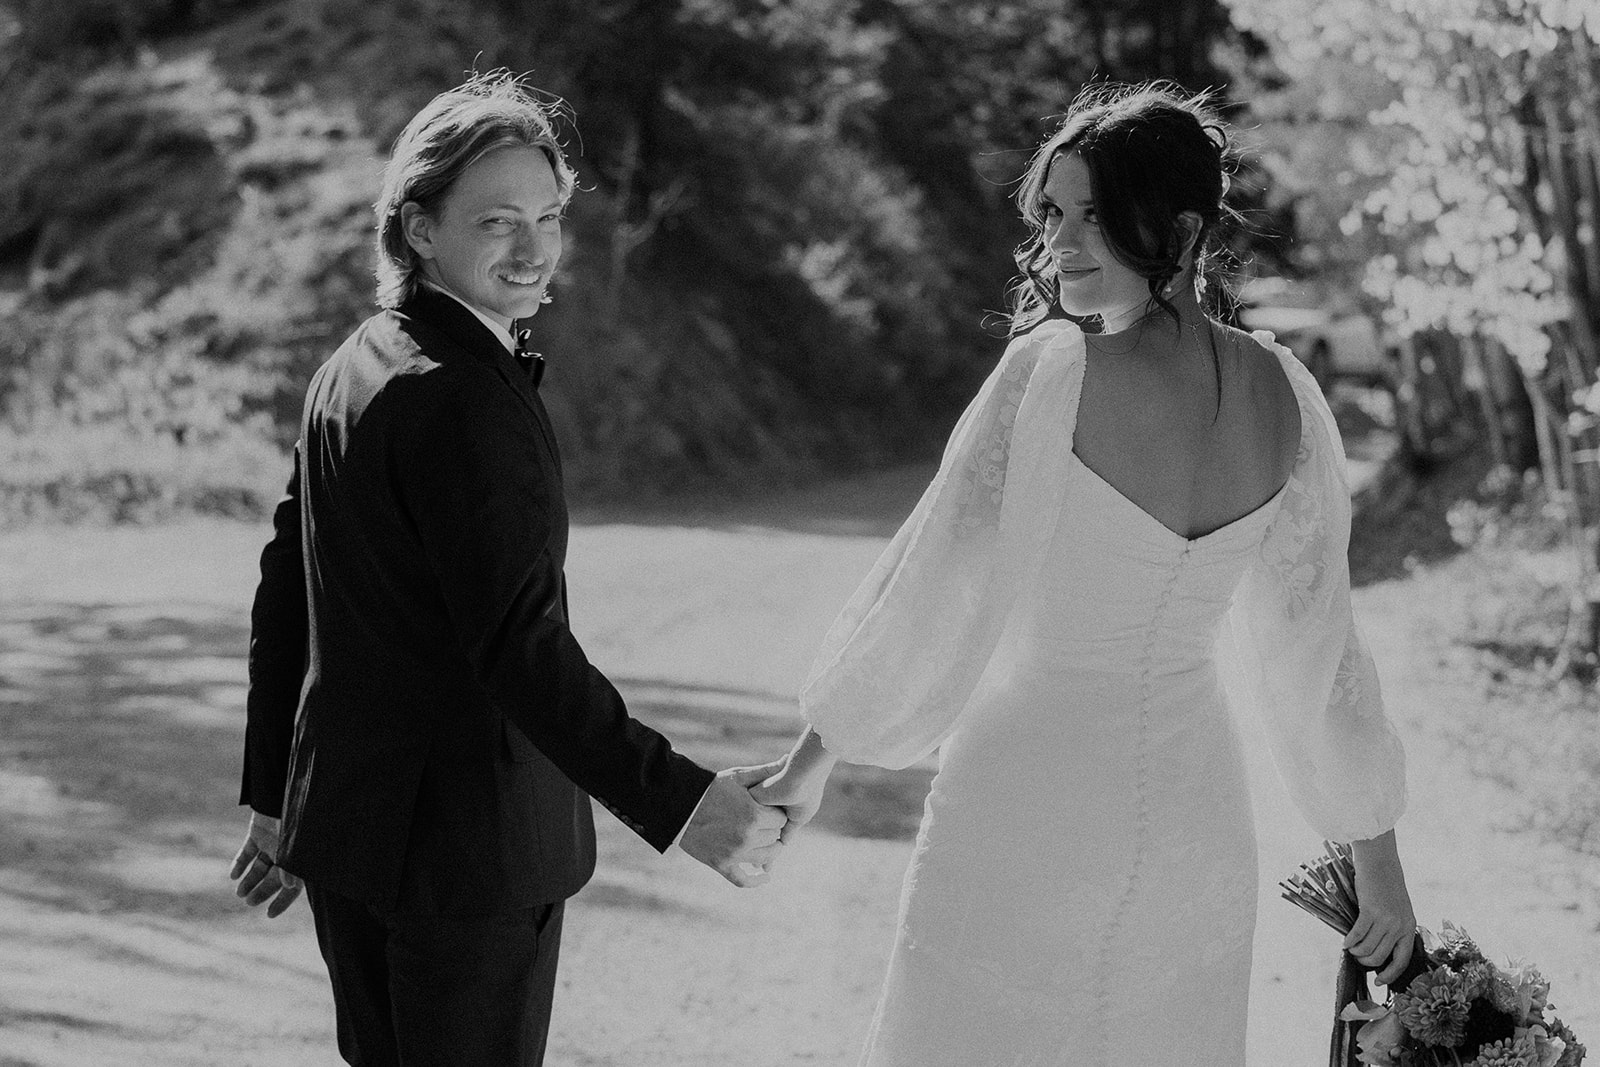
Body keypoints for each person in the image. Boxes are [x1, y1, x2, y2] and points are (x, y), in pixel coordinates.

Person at [754, 82, 1416, 1064]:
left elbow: (928, 588)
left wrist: (805, 768)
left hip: (1026, 802)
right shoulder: (1289, 397)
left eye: (1094, 216)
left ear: (1182, 227)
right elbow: (1320, 662)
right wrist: (1381, 867)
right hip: (1195, 821)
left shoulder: (1048, 372)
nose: (1060, 242)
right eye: (1052, 213)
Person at [227, 72, 786, 1067]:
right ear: (420, 228)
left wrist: (279, 796)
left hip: (353, 840)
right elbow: (517, 649)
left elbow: (286, 588)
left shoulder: (355, 363)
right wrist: (686, 805)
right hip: (466, 866)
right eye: (497, 221)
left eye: (548, 216)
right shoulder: (462, 398)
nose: (533, 248)